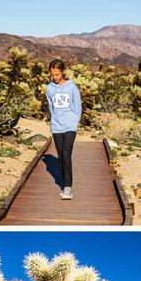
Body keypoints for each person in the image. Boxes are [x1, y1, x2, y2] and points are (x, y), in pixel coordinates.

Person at [46, 59, 82, 200]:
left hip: (70, 126)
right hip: (56, 126)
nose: (54, 77)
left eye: (57, 74)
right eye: (52, 75)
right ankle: (64, 184)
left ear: (63, 72)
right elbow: (51, 107)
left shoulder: (72, 87)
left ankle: (67, 188)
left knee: (66, 154)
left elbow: (77, 107)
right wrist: (53, 121)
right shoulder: (49, 88)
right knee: (61, 157)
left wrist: (74, 122)